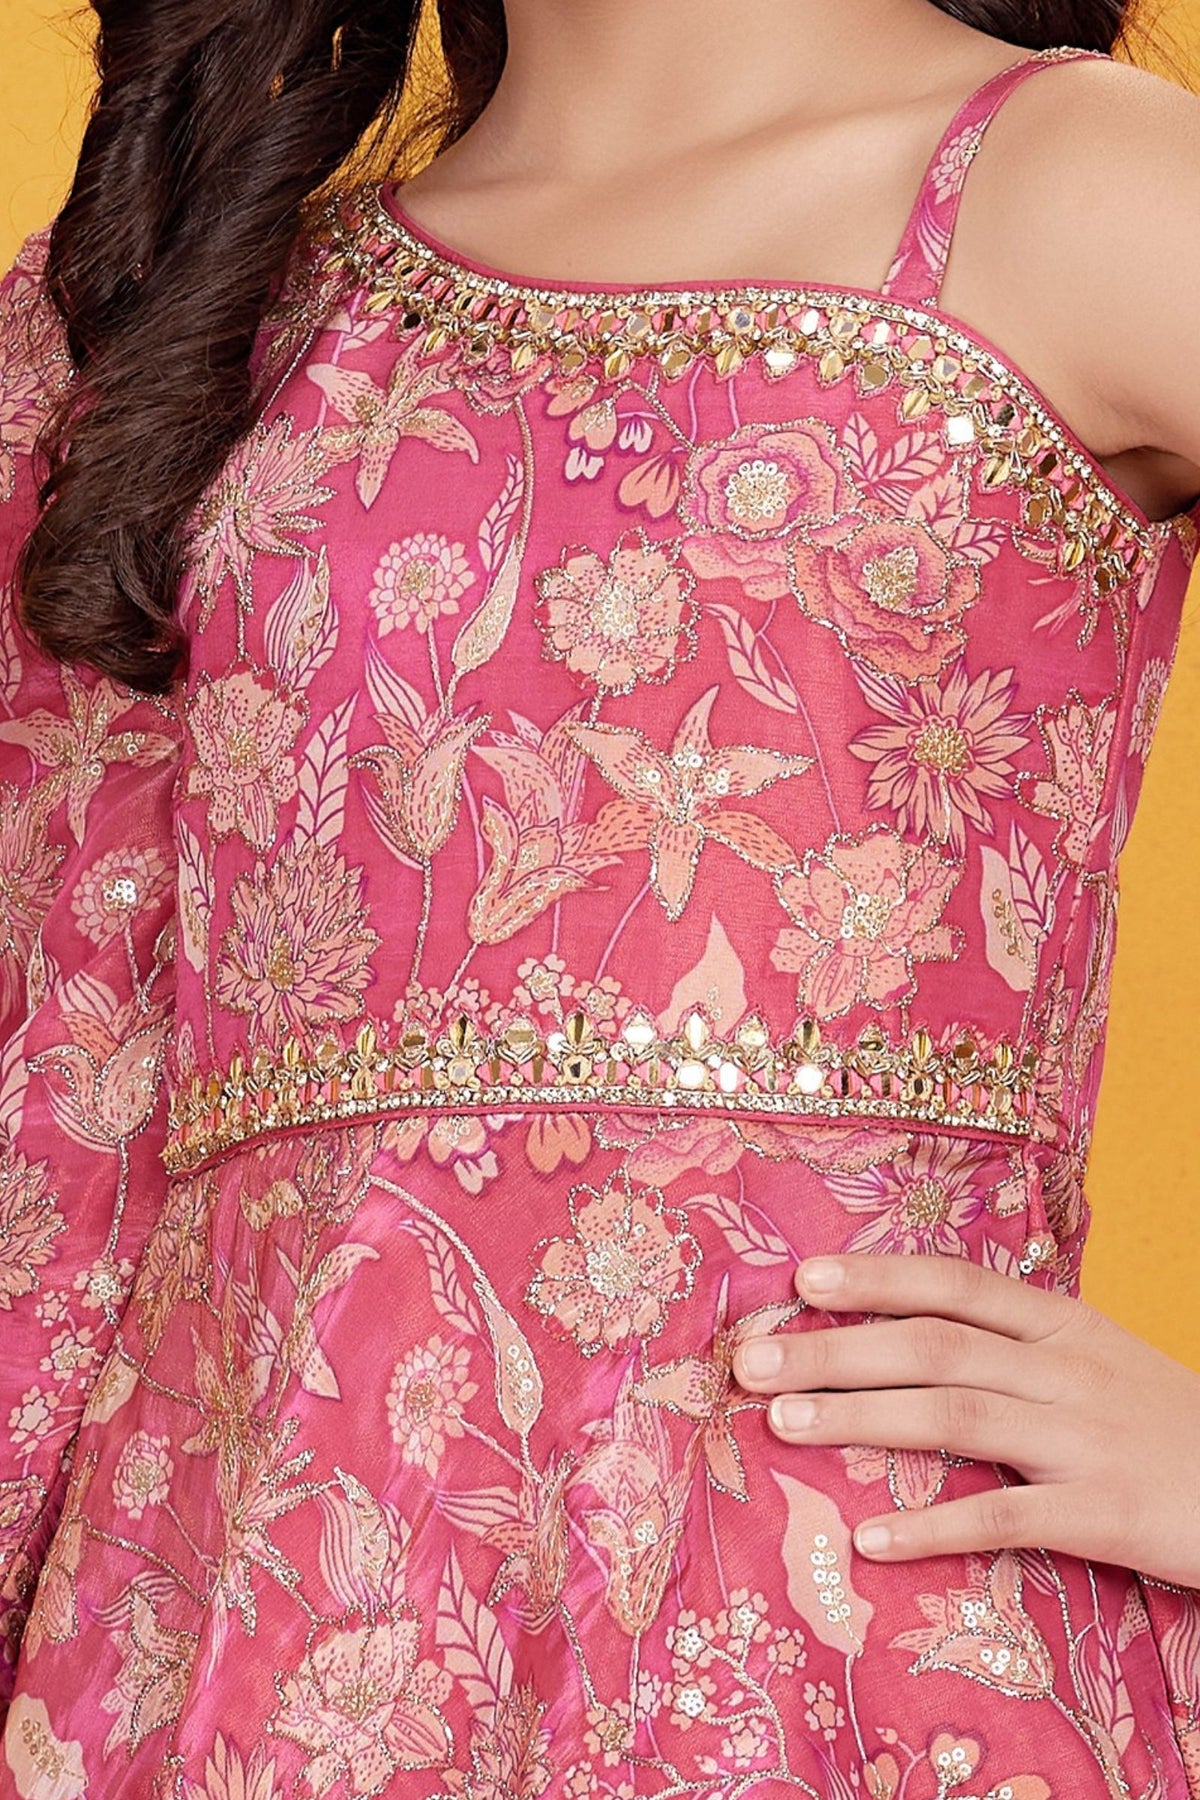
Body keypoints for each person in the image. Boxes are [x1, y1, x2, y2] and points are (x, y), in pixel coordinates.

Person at [3, 0, 1200, 1790]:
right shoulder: (175, 317)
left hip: (842, 1654)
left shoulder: (1082, 192)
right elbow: (61, 1095)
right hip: (243, 1641)